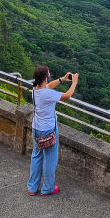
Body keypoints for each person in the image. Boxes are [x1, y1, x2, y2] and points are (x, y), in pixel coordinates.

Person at [27, 65, 79, 196]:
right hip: (48, 130)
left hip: (36, 128)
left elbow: (48, 86)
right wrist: (74, 83)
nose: (50, 76)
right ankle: (48, 188)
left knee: (36, 156)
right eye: (49, 74)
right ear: (45, 78)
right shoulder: (46, 94)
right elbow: (67, 96)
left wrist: (62, 79)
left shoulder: (35, 89)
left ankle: (32, 187)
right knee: (50, 160)